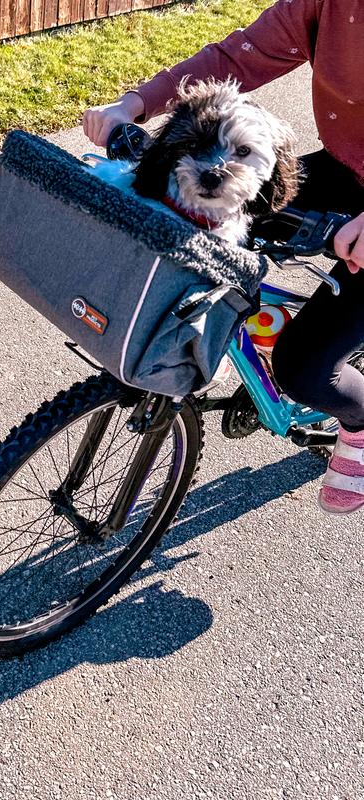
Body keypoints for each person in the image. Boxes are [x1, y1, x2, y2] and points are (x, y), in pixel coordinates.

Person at [83, 0, 364, 515]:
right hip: (349, 168)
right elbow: (235, 59)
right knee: (200, 226)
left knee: (304, 368)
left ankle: (359, 422)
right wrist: (134, 104)